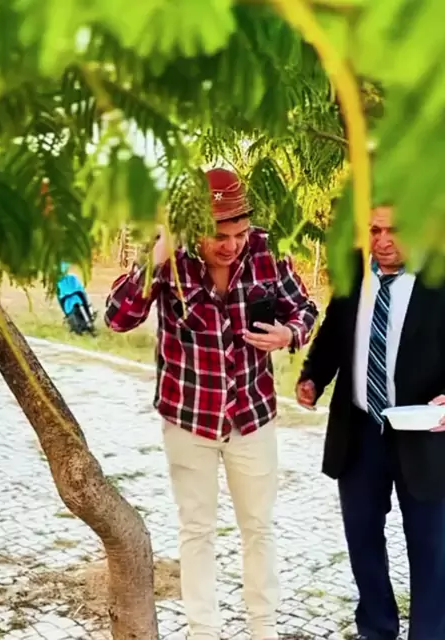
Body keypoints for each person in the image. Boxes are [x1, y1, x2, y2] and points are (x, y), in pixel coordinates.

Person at [105, 167, 318, 640]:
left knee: (258, 527)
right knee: (196, 529)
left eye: (240, 233)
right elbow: (118, 317)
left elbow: (305, 309)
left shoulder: (265, 252)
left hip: (252, 416)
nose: (233, 245)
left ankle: (264, 629)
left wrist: (288, 334)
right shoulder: (169, 259)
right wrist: (158, 254)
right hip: (189, 418)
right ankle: (203, 631)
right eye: (220, 236)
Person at [296, 204, 445, 640]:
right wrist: (313, 377)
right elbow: (334, 332)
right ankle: (377, 627)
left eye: (394, 230)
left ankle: (430, 633)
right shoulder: (355, 272)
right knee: (362, 538)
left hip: (425, 435)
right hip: (359, 432)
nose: (383, 240)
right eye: (375, 230)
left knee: (431, 546)